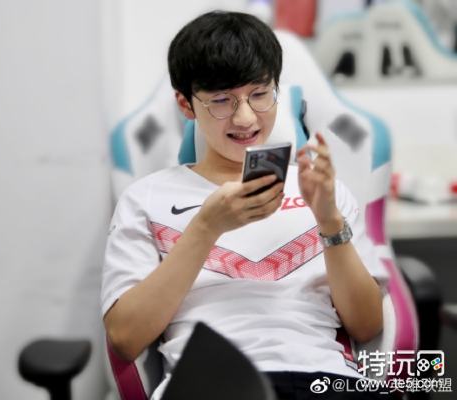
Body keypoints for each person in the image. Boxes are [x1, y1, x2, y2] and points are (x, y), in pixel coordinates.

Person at [101, 10, 388, 400]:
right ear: (186, 105)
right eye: (222, 101)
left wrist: (329, 221)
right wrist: (206, 228)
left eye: (259, 94)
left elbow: (367, 327)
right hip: (210, 383)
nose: (246, 117)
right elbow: (125, 338)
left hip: (321, 378)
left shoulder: (322, 189)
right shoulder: (148, 198)